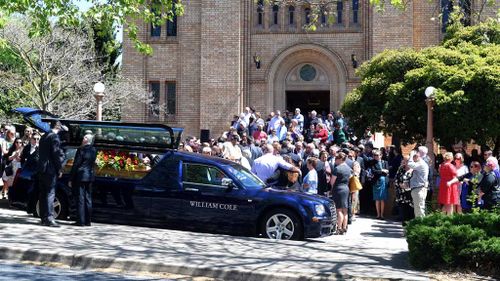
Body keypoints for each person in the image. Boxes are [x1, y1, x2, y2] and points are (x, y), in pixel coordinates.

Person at [37, 120, 66, 227]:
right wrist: (60, 169)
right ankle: (49, 218)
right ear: (58, 128)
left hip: (42, 169)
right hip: (50, 170)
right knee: (50, 193)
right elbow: (56, 155)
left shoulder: (44, 136)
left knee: (43, 193)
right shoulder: (54, 137)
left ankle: (43, 218)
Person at [68, 134, 97, 226]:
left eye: (84, 137)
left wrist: (71, 178)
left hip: (80, 176)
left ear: (86, 140)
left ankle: (81, 221)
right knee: (88, 198)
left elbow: (76, 164)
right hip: (89, 176)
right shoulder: (94, 150)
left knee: (80, 198)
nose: (82, 138)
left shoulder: (81, 150)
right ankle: (88, 221)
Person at [329, 152, 352, 235]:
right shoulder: (349, 169)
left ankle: (339, 228)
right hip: (346, 188)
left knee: (339, 210)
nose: (335, 161)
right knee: (345, 210)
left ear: (340, 159)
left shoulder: (337, 168)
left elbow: (332, 181)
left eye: (336, 159)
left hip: (338, 189)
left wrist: (331, 189)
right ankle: (344, 228)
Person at [20, 133, 41, 214]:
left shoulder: (40, 148)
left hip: (36, 173)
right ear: (31, 139)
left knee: (34, 191)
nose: (36, 141)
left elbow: (37, 160)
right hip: (27, 173)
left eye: (37, 139)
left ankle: (32, 209)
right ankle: (27, 207)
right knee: (27, 190)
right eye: (34, 139)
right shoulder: (27, 147)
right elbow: (22, 158)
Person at [408, 151, 429, 218]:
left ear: (416, 157)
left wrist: (411, 155)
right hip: (417, 188)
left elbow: (410, 164)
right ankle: (418, 224)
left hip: (419, 188)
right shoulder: (419, 164)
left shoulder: (421, 164)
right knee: (417, 208)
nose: (412, 160)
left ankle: (421, 225)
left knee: (419, 209)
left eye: (413, 157)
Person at [394, 156, 414, 225]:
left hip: (410, 194)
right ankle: (404, 226)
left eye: (408, 161)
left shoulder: (414, 170)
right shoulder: (401, 169)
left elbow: (416, 181)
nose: (406, 162)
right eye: (405, 161)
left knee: (410, 211)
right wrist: (400, 184)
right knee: (403, 212)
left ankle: (410, 227)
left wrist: (409, 186)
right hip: (401, 194)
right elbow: (396, 179)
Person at [371, 149, 389, 219]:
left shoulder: (385, 162)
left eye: (377, 155)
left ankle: (382, 214)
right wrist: (382, 170)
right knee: (377, 199)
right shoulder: (373, 163)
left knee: (382, 198)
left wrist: (383, 171)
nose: (376, 157)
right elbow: (374, 171)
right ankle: (378, 214)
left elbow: (387, 171)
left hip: (384, 181)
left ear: (381, 155)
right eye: (375, 155)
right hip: (376, 182)